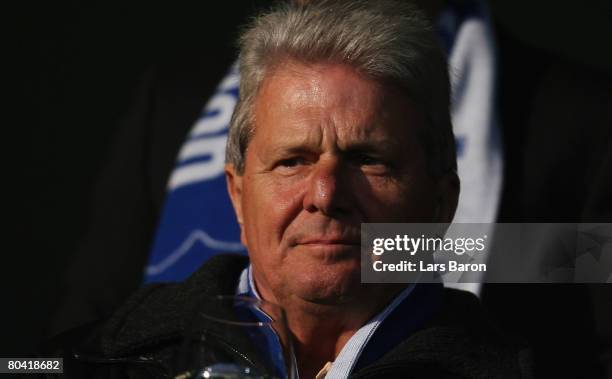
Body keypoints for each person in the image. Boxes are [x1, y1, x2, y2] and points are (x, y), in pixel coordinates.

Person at [48, 1, 532, 378]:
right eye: (291, 161)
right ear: (236, 195)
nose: (324, 193)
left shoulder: (562, 111)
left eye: (368, 160)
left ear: (442, 202)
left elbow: (584, 255)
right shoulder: (92, 359)